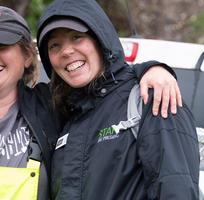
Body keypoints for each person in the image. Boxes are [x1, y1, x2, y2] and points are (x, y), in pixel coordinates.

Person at [0, 4, 184, 200]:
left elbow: (104, 87)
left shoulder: (53, 109)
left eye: (1, 46)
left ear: (28, 56)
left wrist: (151, 68)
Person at [36, 0, 199, 199]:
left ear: (101, 40)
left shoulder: (152, 98)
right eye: (54, 45)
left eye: (77, 37)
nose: (66, 51)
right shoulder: (63, 117)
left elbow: (176, 190)